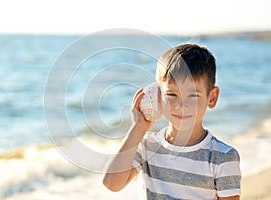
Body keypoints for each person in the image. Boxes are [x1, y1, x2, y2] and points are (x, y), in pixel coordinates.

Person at [103, 44, 241, 199]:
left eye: (193, 95)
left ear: (212, 98)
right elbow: (112, 184)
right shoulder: (148, 146)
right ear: (158, 95)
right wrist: (138, 127)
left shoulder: (222, 157)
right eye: (172, 94)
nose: (181, 105)